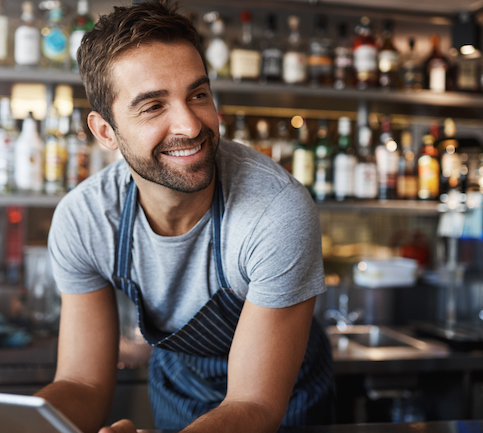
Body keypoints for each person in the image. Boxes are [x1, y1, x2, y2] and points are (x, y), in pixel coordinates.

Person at [35, 1, 335, 432]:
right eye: (153, 106)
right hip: (180, 385)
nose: (191, 126)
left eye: (197, 95)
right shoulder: (86, 220)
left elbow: (253, 404)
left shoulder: (275, 211)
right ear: (105, 132)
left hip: (283, 401)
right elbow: (82, 383)